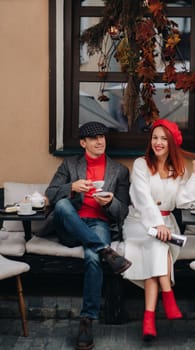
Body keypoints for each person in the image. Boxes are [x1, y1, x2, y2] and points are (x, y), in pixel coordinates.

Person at [45, 121, 132, 350]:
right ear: (83, 143)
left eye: (102, 137)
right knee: (63, 205)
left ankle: (86, 321)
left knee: (93, 259)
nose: (100, 141)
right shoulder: (70, 165)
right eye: (93, 138)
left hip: (99, 223)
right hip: (70, 225)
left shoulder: (119, 171)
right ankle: (106, 250)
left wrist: (111, 201)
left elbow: (123, 211)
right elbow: (51, 194)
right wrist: (71, 187)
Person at [122, 119, 195, 341]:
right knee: (158, 243)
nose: (158, 142)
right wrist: (155, 224)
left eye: (163, 138)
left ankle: (148, 319)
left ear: (171, 143)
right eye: (154, 137)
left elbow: (181, 201)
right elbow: (141, 197)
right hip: (139, 222)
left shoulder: (177, 169)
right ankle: (168, 296)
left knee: (157, 248)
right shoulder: (141, 164)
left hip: (167, 223)